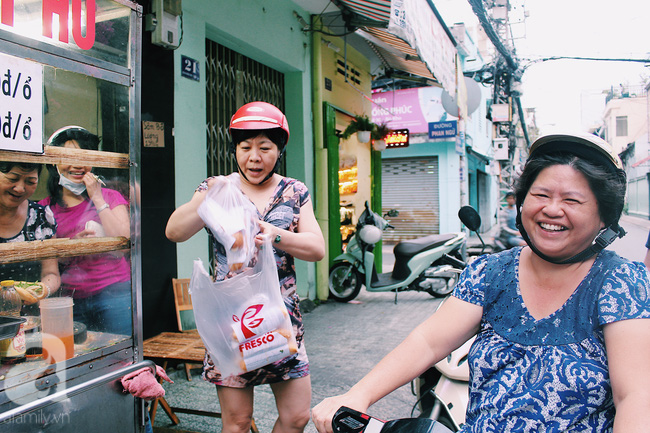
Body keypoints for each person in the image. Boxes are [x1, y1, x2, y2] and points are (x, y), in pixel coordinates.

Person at [312, 133, 650, 433]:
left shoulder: (619, 283)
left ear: (605, 216)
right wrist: (358, 394)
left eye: (572, 201)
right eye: (541, 194)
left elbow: (634, 395)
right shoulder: (490, 272)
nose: (552, 210)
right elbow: (428, 342)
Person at [166, 101, 325, 433]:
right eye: (246, 147)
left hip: (282, 320)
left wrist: (277, 235)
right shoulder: (217, 189)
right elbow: (174, 232)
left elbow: (316, 248)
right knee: (237, 422)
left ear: (278, 150)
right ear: (235, 150)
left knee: (297, 416)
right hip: (232, 324)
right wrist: (207, 198)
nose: (255, 157)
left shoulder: (294, 191)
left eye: (265, 148)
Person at [38, 126, 132, 335]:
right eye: (69, 157)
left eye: (84, 157)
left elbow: (125, 243)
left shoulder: (110, 196)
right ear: (54, 163)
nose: (78, 165)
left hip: (115, 294)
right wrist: (72, 247)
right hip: (70, 299)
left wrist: (97, 198)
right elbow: (49, 263)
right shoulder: (45, 208)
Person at [0, 161, 60, 304]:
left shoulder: (41, 217)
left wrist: (42, 290)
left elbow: (51, 273)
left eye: (30, 181)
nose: (20, 188)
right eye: (12, 179)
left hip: (28, 316)